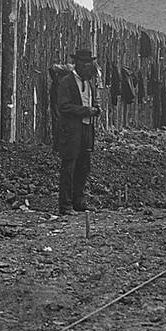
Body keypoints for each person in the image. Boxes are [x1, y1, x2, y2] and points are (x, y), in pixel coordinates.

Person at [51, 48, 100, 214]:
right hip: (71, 131)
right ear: (77, 64)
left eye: (89, 63)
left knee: (84, 166)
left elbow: (89, 103)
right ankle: (65, 205)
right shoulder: (66, 82)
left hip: (86, 129)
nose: (88, 67)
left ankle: (78, 201)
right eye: (84, 63)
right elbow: (63, 107)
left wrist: (96, 109)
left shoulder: (88, 83)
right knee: (69, 167)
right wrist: (86, 110)